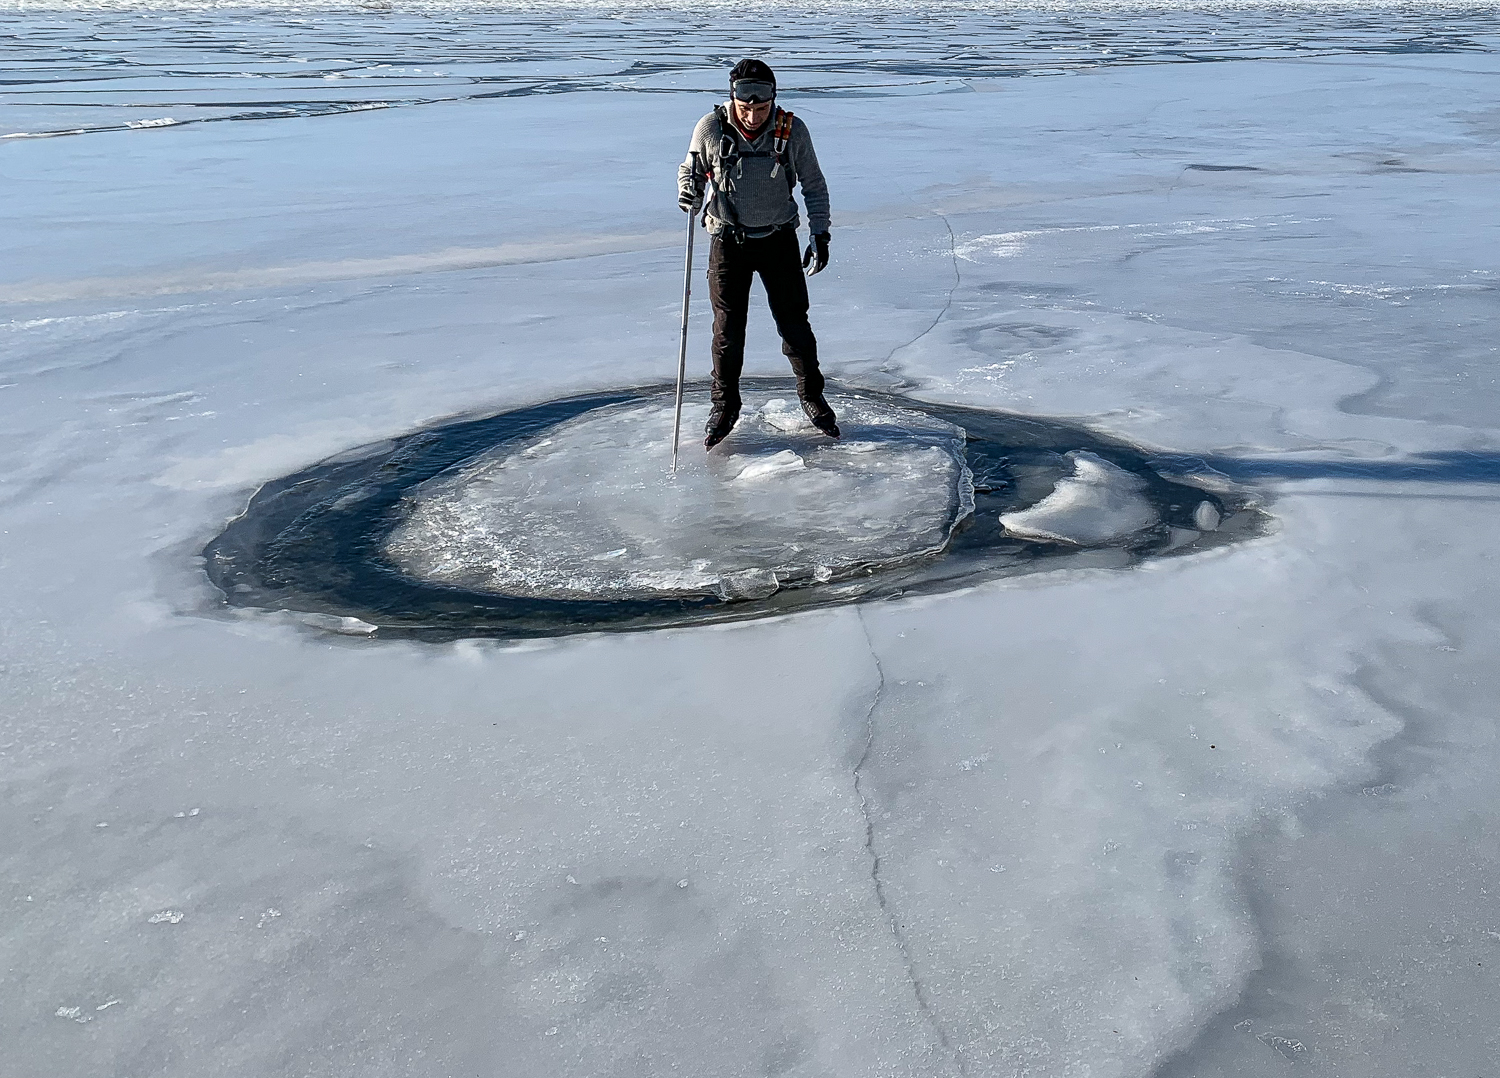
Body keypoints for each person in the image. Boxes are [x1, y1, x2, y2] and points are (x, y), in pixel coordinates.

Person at [678, 58, 838, 450]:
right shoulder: (710, 128)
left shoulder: (791, 131)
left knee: (794, 325)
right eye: (745, 106)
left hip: (778, 239)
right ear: (732, 98)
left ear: (773, 101)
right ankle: (724, 406)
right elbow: (690, 169)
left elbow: (814, 185)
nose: (752, 114)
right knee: (728, 331)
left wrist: (820, 233)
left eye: (761, 107)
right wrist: (689, 190)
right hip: (727, 240)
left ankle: (812, 398)